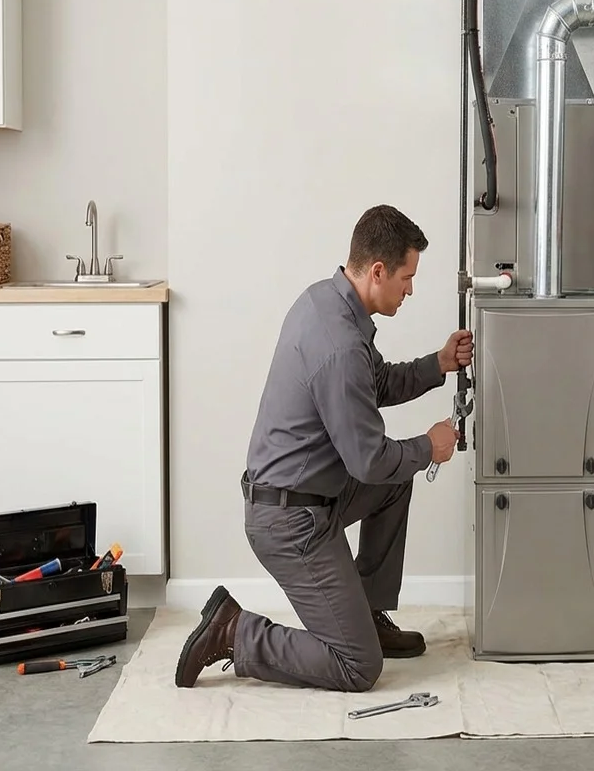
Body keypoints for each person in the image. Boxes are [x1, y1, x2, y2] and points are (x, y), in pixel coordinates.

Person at [174, 204, 472, 693]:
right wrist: (429, 446)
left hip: (314, 492)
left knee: (396, 486)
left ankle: (366, 614)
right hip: (292, 521)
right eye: (406, 277)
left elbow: (373, 382)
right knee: (359, 667)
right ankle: (235, 631)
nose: (411, 289)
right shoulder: (339, 343)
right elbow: (370, 461)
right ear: (377, 271)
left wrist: (438, 364)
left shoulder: (328, 302)